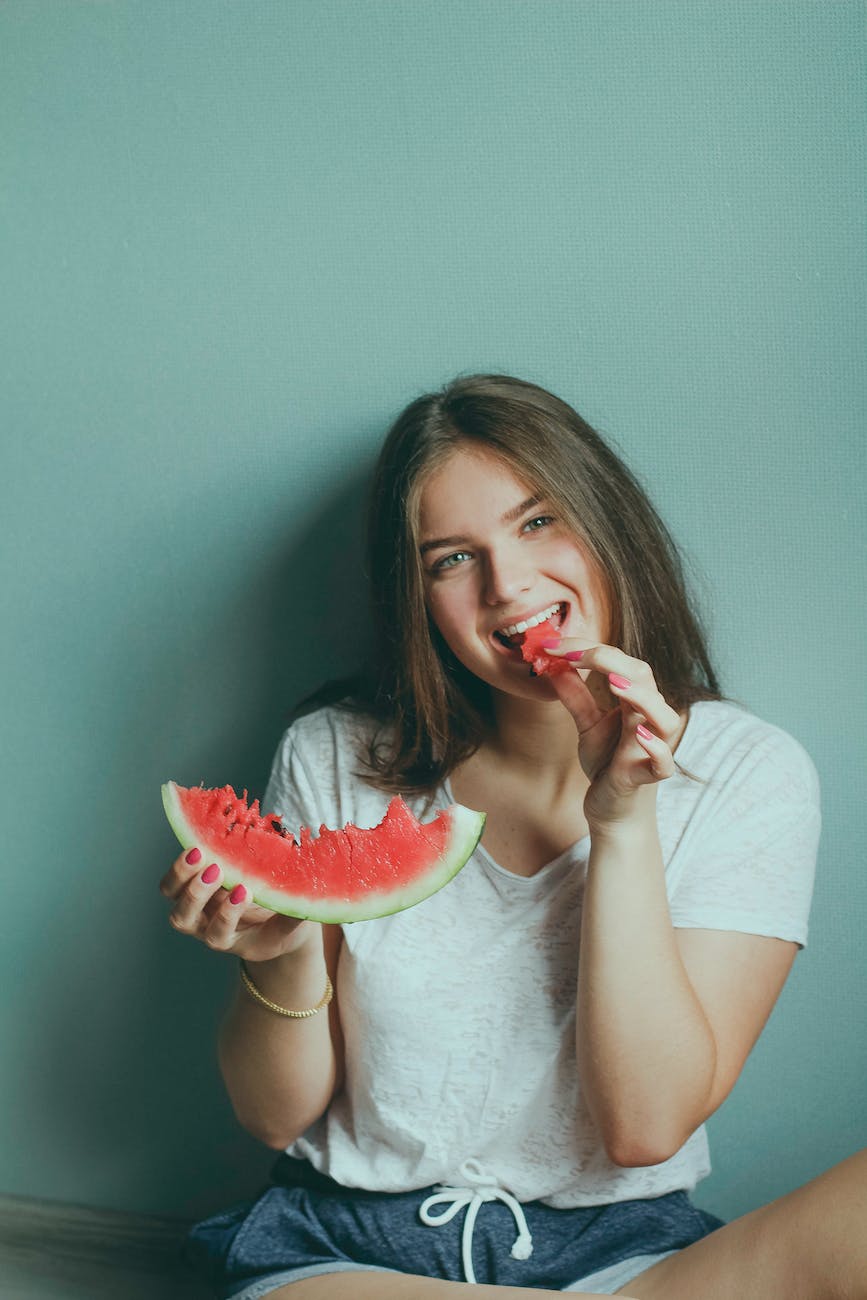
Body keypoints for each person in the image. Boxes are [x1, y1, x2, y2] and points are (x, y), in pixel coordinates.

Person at [161, 375, 866, 1299]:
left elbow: (644, 1128)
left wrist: (620, 824)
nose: (509, 586)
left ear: (608, 525)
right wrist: (281, 955)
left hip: (621, 1259)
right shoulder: (333, 753)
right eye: (451, 558)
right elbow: (273, 1115)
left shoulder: (749, 770)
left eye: (538, 523)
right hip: (351, 1256)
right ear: (416, 596)